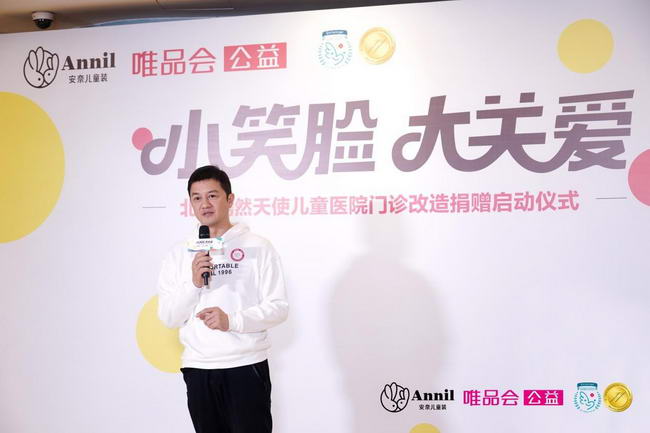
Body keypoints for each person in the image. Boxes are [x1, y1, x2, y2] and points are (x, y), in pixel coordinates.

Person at [157, 165, 289, 433]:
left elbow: (278, 308)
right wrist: (194, 284)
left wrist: (232, 320)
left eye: (212, 196)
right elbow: (169, 317)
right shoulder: (178, 253)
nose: (204, 204)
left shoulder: (258, 247)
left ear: (229, 199)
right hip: (198, 369)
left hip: (245, 366)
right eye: (197, 198)